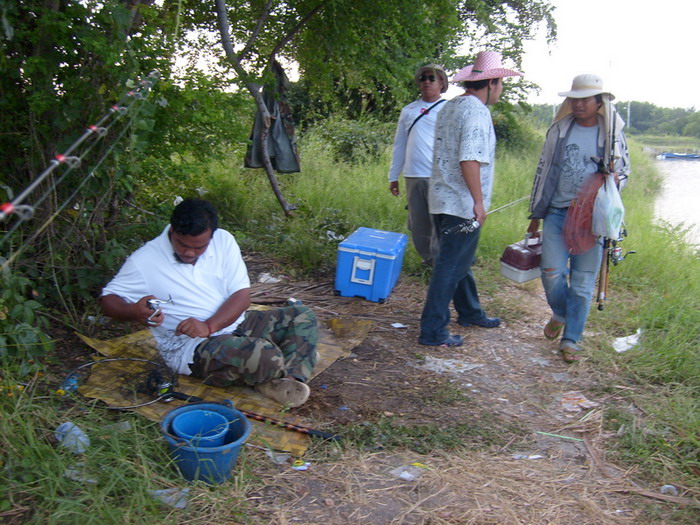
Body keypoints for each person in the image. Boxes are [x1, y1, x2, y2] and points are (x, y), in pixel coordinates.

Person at [100, 199, 318, 407]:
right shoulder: (144, 260)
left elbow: (242, 296)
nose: (188, 253)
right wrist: (133, 311)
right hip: (190, 348)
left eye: (199, 247)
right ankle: (291, 361)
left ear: (212, 236)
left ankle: (289, 380)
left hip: (234, 324)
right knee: (266, 355)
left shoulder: (224, 241)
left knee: (301, 315)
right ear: (172, 231)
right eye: (182, 244)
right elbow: (108, 300)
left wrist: (209, 326)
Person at [419, 51, 522, 346]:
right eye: (501, 84)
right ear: (491, 83)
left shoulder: (451, 106)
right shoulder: (477, 112)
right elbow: (469, 159)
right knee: (450, 266)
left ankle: (470, 312)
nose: (501, 90)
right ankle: (433, 331)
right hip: (460, 204)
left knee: (458, 261)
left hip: (440, 198)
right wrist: (478, 202)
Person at [527, 74, 630, 363]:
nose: (579, 103)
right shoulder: (559, 131)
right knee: (550, 272)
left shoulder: (611, 135)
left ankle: (572, 339)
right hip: (557, 213)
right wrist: (536, 214)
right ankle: (561, 313)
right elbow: (543, 171)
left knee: (584, 282)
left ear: (599, 102)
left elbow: (625, 173)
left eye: (586, 98)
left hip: (593, 220)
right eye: (575, 98)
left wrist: (612, 177)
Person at [388, 64, 448, 266]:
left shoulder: (448, 109)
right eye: (423, 78)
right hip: (413, 175)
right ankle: (429, 261)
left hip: (439, 175)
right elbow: (399, 145)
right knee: (419, 223)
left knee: (441, 221)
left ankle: (444, 261)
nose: (426, 82)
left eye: (432, 78)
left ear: (441, 83)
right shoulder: (409, 110)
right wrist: (393, 176)